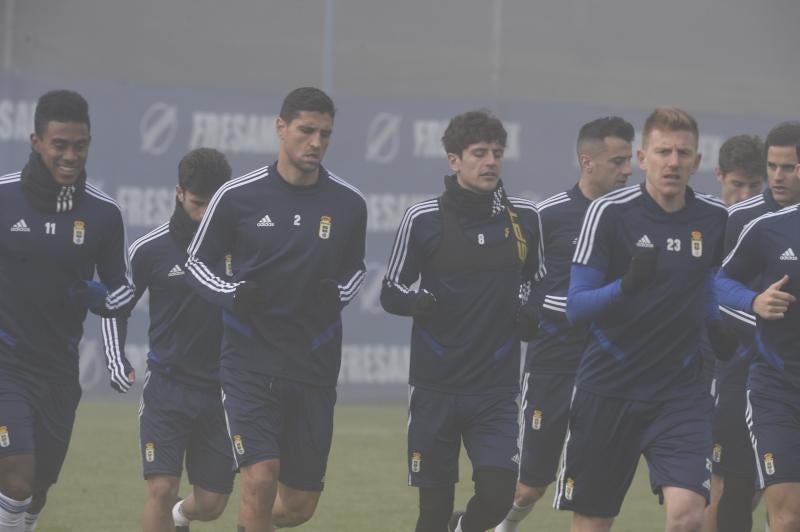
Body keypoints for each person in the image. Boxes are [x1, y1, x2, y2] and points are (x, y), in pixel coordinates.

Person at [185, 87, 367, 532]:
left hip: (313, 367)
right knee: (260, 479)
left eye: (325, 134)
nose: (316, 143)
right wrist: (232, 294)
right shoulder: (237, 195)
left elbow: (357, 270)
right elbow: (195, 262)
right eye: (306, 131)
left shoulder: (349, 203)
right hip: (250, 362)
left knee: (300, 505)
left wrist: (339, 294)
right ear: (281, 128)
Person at [556, 107, 732, 532]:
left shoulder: (714, 218)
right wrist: (626, 287)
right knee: (594, 521)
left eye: (683, 153)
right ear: (642, 158)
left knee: (688, 513)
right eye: (663, 151)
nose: (673, 161)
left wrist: (717, 325)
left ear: (697, 162)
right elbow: (575, 307)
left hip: (680, 393)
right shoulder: (609, 213)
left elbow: (709, 284)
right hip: (608, 388)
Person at [380, 110, 545, 532]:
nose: (490, 161)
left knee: (499, 494)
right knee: (432, 513)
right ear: (454, 160)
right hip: (436, 385)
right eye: (479, 153)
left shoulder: (524, 216)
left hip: (496, 387)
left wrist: (530, 311)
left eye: (497, 153)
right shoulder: (423, 219)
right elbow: (391, 290)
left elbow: (538, 280)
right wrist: (418, 302)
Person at [0, 90, 134, 531]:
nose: (70, 155)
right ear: (36, 141)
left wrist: (102, 306)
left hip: (59, 369)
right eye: (60, 144)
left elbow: (120, 295)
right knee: (16, 476)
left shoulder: (103, 213)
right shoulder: (4, 198)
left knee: (38, 487)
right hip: (6, 362)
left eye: (80, 145)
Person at [496, 116, 634, 532]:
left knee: (592, 488)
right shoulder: (547, 216)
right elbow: (522, 289)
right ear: (586, 161)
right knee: (528, 487)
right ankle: (501, 525)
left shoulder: (636, 217)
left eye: (630, 160)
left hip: (611, 372)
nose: (628, 170)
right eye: (618, 161)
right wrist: (580, 306)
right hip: (553, 366)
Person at [101, 148, 234, 532]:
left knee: (210, 505)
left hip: (222, 391)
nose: (206, 213)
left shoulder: (239, 247)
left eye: (215, 204)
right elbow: (116, 306)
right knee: (161, 487)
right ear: (179, 193)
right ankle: (168, 508)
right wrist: (116, 359)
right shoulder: (149, 250)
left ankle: (181, 516)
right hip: (167, 386)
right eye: (197, 203)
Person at [707, 123, 800, 532]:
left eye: (788, 167)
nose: (778, 176)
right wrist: (756, 307)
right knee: (734, 485)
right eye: (772, 167)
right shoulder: (744, 221)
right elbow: (715, 287)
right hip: (746, 371)